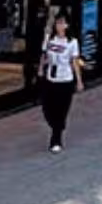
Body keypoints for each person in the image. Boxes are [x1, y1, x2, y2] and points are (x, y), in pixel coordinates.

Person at [37, 10, 85, 152]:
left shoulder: (72, 42)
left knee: (61, 109)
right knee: (47, 108)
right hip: (51, 78)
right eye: (58, 23)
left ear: (67, 25)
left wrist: (79, 80)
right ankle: (56, 125)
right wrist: (41, 68)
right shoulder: (50, 39)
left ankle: (56, 138)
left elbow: (74, 61)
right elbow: (44, 55)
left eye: (62, 23)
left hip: (65, 79)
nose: (59, 26)